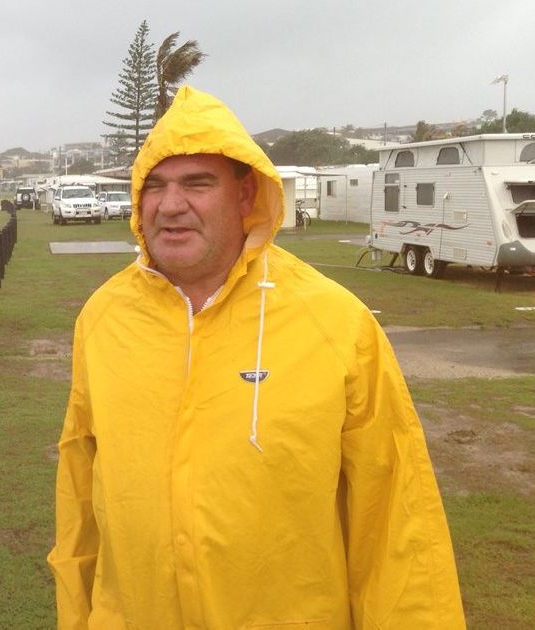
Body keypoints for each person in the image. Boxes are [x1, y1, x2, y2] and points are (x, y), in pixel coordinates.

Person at [47, 87, 465, 629]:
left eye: (197, 183)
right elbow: (80, 499)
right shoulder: (103, 319)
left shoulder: (337, 324)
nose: (170, 205)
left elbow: (396, 522)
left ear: (246, 195)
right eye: (153, 185)